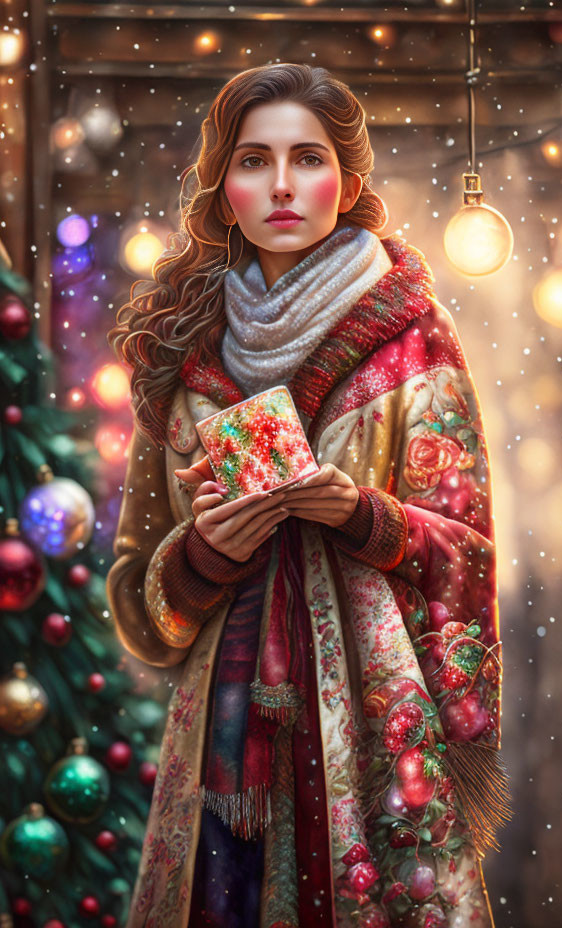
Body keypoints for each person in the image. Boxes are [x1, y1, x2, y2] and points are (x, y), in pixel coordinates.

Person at [107, 62, 511, 928]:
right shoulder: (183, 352)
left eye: (307, 158)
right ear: (223, 192)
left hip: (368, 730)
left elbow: (467, 555)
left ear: (350, 184)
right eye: (254, 161)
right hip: (221, 732)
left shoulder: (413, 343)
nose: (282, 185)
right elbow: (139, 602)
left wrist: (360, 515)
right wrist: (207, 552)